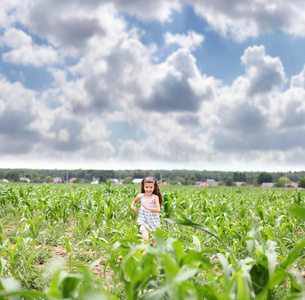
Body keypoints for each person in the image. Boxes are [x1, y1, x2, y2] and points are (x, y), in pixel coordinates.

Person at [131, 176, 162, 244]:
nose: (148, 189)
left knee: (155, 244)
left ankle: (154, 254)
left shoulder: (155, 197)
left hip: (154, 221)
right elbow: (134, 201)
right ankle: (143, 254)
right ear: (143, 187)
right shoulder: (141, 195)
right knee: (145, 240)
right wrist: (132, 206)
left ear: (154, 188)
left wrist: (147, 207)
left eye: (151, 187)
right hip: (144, 221)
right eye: (146, 187)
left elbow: (158, 209)